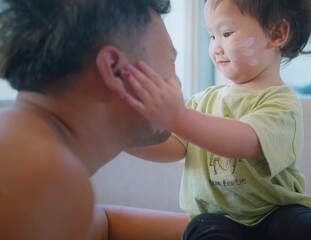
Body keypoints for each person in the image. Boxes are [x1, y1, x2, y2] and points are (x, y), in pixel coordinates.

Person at [122, 0, 311, 239]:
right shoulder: (201, 103)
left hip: (277, 214)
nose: (216, 47)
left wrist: (178, 117)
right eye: (211, 36)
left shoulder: (281, 103)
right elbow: (173, 147)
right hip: (219, 220)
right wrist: (120, 138)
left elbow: (246, 141)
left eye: (227, 33)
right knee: (198, 229)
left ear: (277, 33)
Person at [0, 0, 188, 239]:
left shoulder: (32, 150)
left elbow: (102, 224)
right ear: (114, 68)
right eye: (170, 63)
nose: (177, 83)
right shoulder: (45, 176)